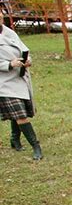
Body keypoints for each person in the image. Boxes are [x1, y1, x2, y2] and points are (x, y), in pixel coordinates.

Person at [0, 24, 42, 160]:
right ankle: (36, 146)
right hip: (4, 83)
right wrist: (9, 64)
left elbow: (24, 50)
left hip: (20, 78)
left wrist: (27, 60)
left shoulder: (9, 32)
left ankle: (14, 139)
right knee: (20, 115)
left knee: (19, 112)